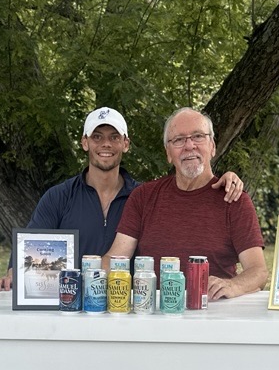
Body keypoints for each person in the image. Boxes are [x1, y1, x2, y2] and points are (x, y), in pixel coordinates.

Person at [0, 106, 244, 290]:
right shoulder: (58, 197)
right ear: (85, 142)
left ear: (126, 144)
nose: (105, 144)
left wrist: (224, 177)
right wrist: (13, 277)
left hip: (129, 308)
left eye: (114, 137)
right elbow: (31, 249)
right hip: (72, 301)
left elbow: (189, 201)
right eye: (97, 137)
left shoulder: (144, 197)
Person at [102, 107, 268, 301]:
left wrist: (233, 285)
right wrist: (84, 280)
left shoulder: (234, 200)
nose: (189, 146)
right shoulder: (143, 197)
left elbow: (258, 272)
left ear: (212, 146)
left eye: (198, 136)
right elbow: (115, 259)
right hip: (155, 315)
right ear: (168, 153)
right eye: (179, 140)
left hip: (213, 315)